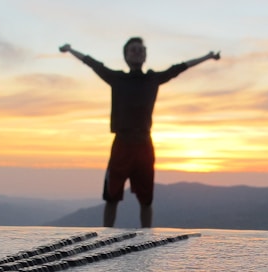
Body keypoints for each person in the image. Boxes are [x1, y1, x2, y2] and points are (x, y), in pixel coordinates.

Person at [59, 37, 220, 228]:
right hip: (122, 143)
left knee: (146, 199)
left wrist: (208, 57)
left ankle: (147, 237)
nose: (137, 52)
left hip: (144, 143)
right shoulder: (117, 78)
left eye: (140, 49)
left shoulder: (152, 79)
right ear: (125, 56)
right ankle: (105, 236)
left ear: (145, 55)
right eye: (132, 50)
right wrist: (70, 50)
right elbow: (93, 63)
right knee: (112, 195)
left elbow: (180, 67)